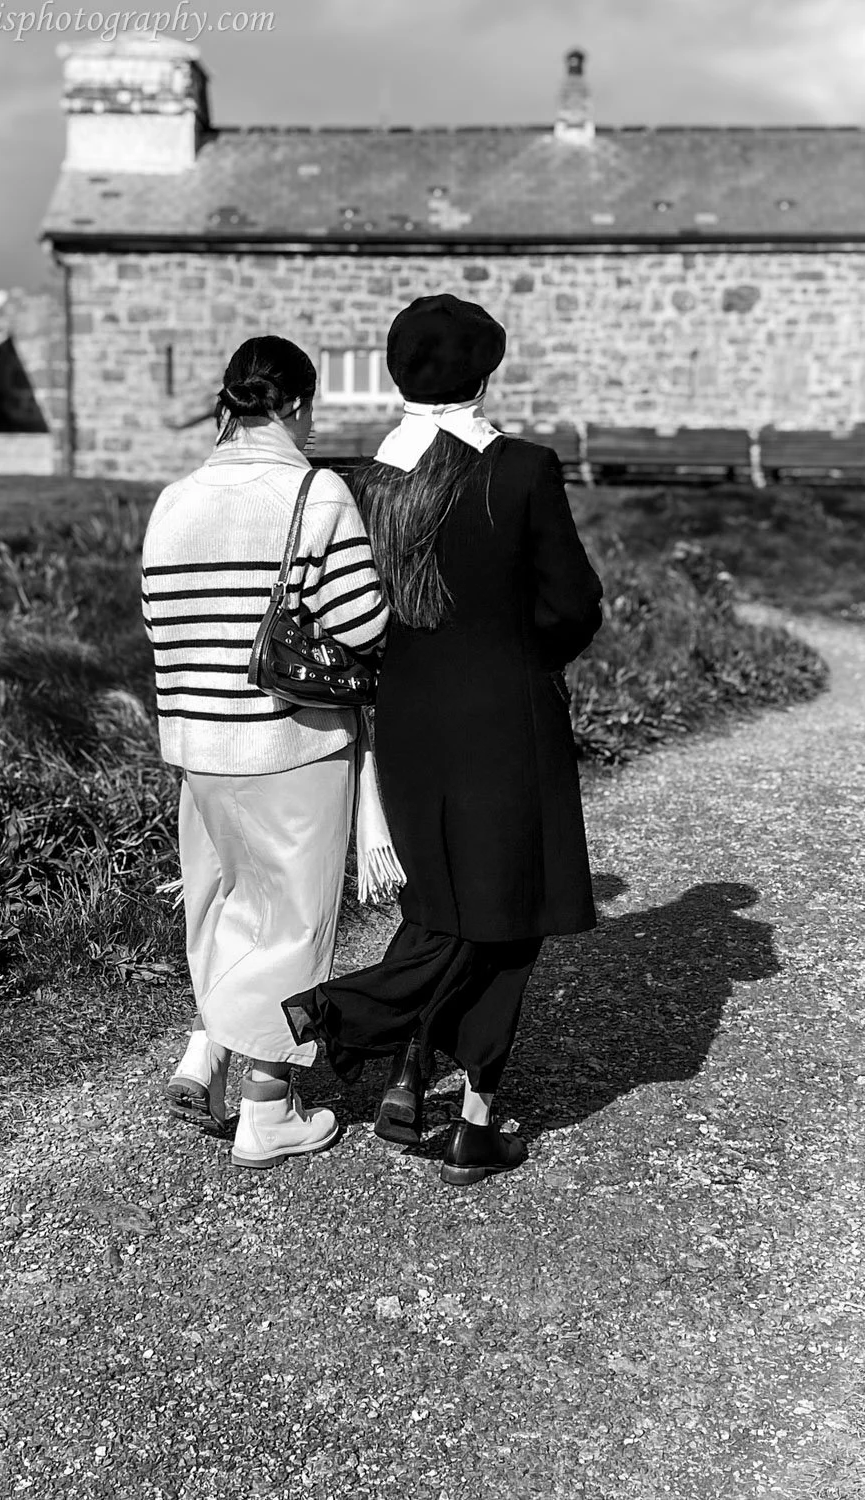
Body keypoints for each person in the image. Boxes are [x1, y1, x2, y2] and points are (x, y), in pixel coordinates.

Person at [283, 294, 604, 1187]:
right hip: (504, 715)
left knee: (441, 904)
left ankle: (411, 1069)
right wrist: (525, 656)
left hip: (406, 720)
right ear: (486, 369)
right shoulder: (521, 470)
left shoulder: (356, 479)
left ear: (393, 369)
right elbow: (573, 603)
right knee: (505, 916)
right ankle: (439, 1089)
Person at [141, 335, 389, 1170]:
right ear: (293, 406)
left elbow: (159, 625)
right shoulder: (314, 493)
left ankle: (206, 1049)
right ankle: (268, 1110)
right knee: (291, 923)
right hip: (291, 739)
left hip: (197, 743)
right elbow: (364, 626)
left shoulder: (174, 499)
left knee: (217, 908)